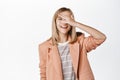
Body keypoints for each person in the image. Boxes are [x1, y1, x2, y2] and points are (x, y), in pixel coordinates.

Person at [38, 7, 106, 80]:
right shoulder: (44, 47)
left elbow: (101, 37)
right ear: (55, 22)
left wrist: (76, 24)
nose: (64, 22)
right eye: (60, 19)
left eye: (67, 19)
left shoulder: (80, 42)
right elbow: (43, 74)